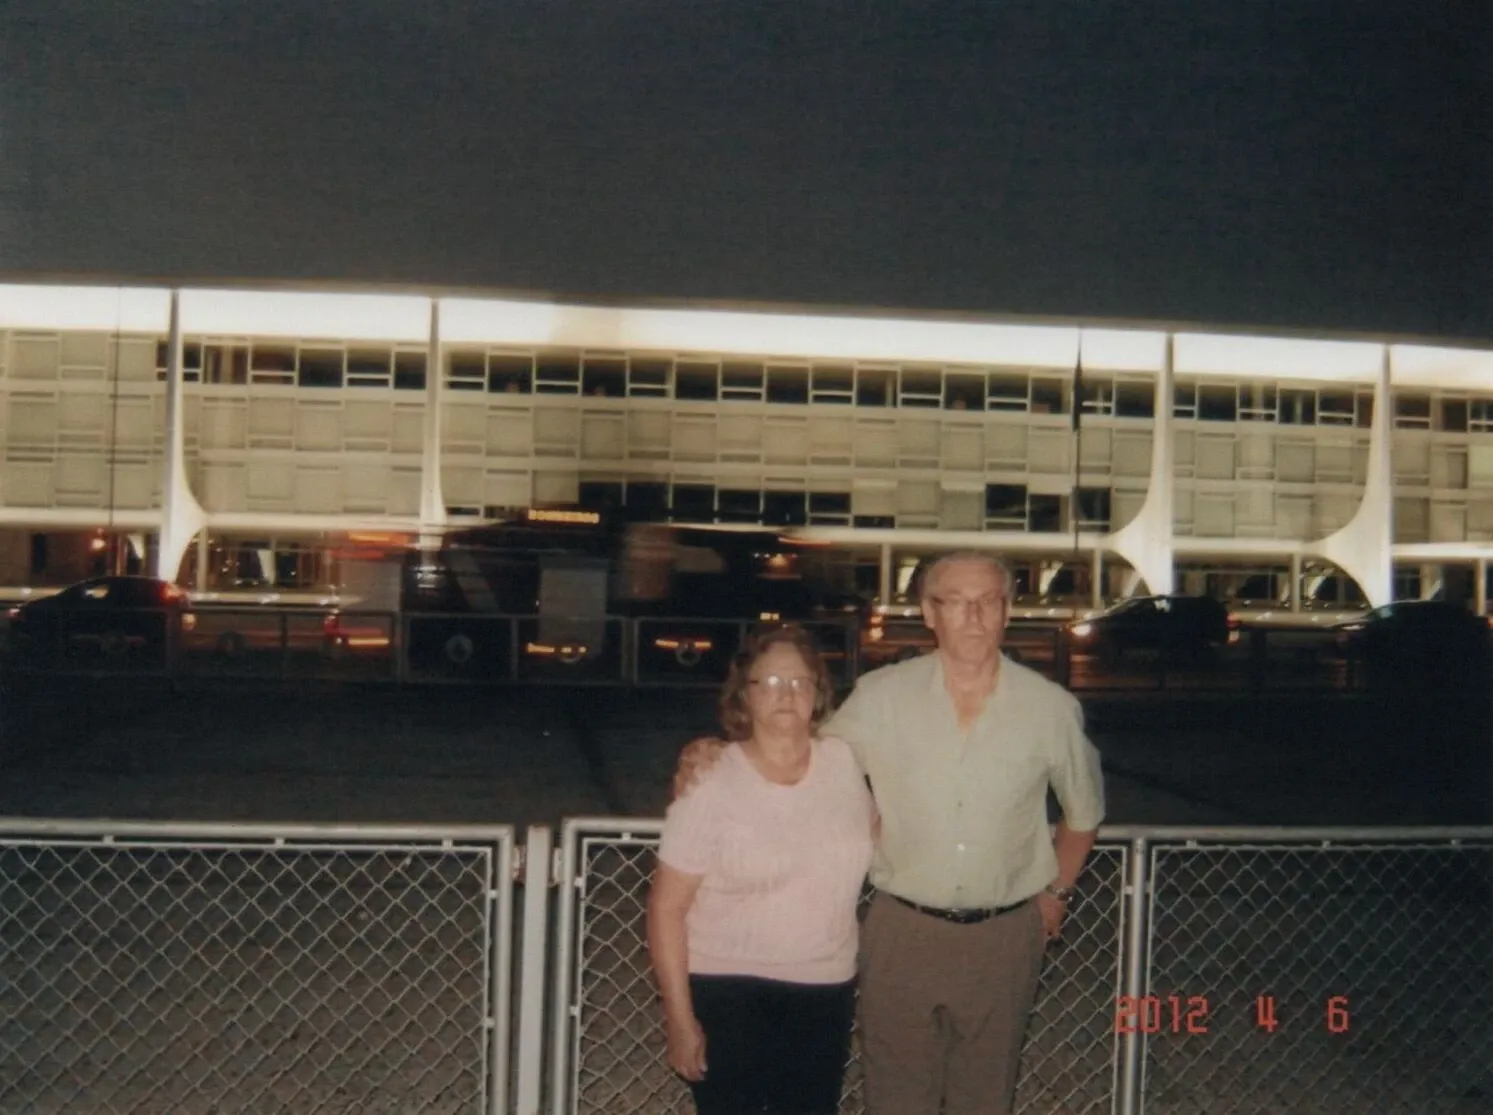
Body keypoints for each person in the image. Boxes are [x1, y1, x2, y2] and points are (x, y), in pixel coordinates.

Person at [674, 552, 1105, 1115]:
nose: (974, 616)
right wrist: (710, 750)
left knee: (986, 1097)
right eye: (956, 601)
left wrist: (1056, 893)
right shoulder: (881, 697)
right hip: (902, 931)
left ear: (1007, 612)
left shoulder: (1052, 710)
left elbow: (1083, 814)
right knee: (896, 1097)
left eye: (989, 602)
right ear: (930, 612)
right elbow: (797, 740)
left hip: (1005, 938)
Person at [648, 623, 876, 1115]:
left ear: (818, 693)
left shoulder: (844, 763)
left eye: (799, 682)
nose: (786, 695)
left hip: (825, 987)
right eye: (769, 683)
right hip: (729, 988)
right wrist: (680, 1019)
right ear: (743, 696)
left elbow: (875, 836)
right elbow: (667, 908)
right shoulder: (710, 779)